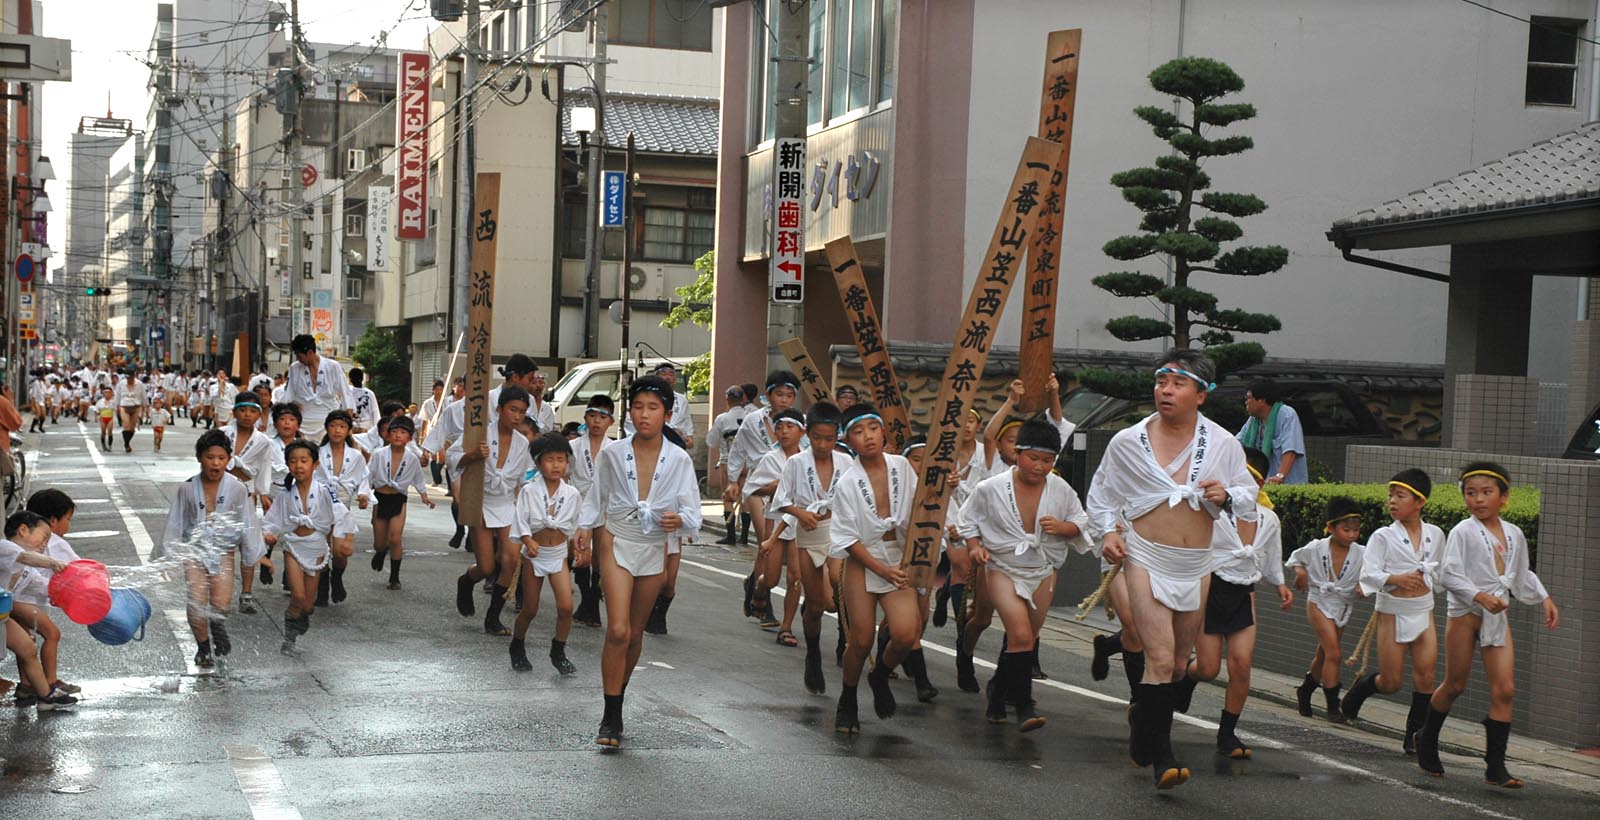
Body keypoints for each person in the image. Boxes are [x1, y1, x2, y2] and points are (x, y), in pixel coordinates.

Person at [1085, 349, 1258, 790]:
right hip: (1145, 556)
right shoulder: (1129, 441)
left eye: (1178, 384)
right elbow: (1102, 495)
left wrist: (1225, 495)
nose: (1166, 390)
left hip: (1195, 563)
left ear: (1202, 395)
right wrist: (1108, 535)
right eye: (1162, 381)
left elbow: (1248, 496)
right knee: (1158, 657)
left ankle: (1143, 721)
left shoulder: (1223, 443)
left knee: (1181, 665)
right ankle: (1163, 757)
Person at [1416, 462, 1559, 787]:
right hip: (1465, 613)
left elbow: (1521, 575)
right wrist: (1480, 596)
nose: (1478, 499)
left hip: (1496, 614)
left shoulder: (1514, 534)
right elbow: (1449, 575)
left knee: (1505, 689)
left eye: (1486, 492)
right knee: (1455, 685)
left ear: (1503, 497)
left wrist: (1544, 598)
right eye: (1471, 493)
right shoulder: (1462, 531)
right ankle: (1427, 738)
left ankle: (1496, 766)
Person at [581, 376, 701, 747]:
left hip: (654, 546)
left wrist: (677, 520)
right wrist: (584, 531)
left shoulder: (678, 458)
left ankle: (618, 695)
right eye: (638, 407)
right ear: (629, 412)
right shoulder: (614, 453)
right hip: (617, 540)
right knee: (616, 630)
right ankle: (610, 714)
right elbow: (595, 496)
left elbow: (691, 511)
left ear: (667, 413)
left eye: (653, 408)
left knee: (634, 632)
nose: (644, 415)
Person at [958, 419, 1091, 732]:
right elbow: (967, 521)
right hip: (1002, 567)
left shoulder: (1060, 489)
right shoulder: (989, 488)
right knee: (1018, 635)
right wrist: (975, 547)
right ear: (1017, 454)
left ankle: (997, 691)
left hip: (1043, 568)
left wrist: (1063, 528)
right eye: (1034, 458)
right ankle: (1024, 704)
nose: (1041, 466)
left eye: (1048, 461)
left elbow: (1081, 522)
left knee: (1027, 638)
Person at [1172, 447, 1292, 758]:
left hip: (1243, 593)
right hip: (1210, 589)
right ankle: (1187, 676)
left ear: (1260, 483)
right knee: (1209, 668)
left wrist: (1279, 584)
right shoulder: (1209, 509)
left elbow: (1270, 559)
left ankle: (1227, 734)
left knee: (1241, 664)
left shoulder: (1269, 519)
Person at [829, 403, 920, 735]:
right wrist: (880, 569)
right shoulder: (848, 482)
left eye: (872, 427)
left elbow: (925, 505)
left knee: (907, 634)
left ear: (884, 431)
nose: (867, 436)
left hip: (898, 557)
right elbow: (847, 539)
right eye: (858, 431)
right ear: (848, 440)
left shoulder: (902, 467)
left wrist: (945, 483)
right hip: (863, 558)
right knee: (862, 639)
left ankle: (880, 674)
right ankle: (848, 696)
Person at [1341, 468, 1444, 752]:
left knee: (1426, 676)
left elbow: (1443, 572)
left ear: (1420, 501)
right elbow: (1369, 572)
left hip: (1423, 608)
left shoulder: (1436, 534)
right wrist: (1396, 579)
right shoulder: (1382, 536)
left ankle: (1414, 736)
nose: (1393, 501)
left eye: (1400, 496)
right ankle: (1361, 689)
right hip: (1392, 611)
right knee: (1391, 682)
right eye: (1391, 496)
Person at [154, 430, 265, 669]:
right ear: (199, 457)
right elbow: (175, 523)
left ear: (228, 459)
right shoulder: (186, 489)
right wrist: (168, 559)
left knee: (222, 603)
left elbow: (247, 520)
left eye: (221, 458)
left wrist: (253, 554)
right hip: (194, 552)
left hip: (223, 551)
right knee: (196, 601)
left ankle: (217, 624)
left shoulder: (237, 488)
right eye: (210, 457)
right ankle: (203, 646)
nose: (215, 463)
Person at [773, 401, 852, 694]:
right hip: (808, 533)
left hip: (836, 531)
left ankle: (847, 634)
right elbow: (781, 500)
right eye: (817, 438)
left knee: (837, 579)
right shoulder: (795, 463)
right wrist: (800, 513)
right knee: (817, 605)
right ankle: (814, 653)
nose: (822, 444)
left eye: (829, 438)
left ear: (837, 436)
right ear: (808, 434)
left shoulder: (846, 462)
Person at [448, 386, 534, 636]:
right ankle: (466, 581)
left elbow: (525, 480)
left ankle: (492, 618)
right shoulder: (480, 433)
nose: (517, 416)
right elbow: (452, 459)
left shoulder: (522, 443)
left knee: (510, 559)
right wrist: (473, 455)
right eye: (512, 410)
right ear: (499, 410)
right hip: (480, 500)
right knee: (486, 566)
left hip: (507, 503)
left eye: (522, 412)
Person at [264, 440, 357, 656]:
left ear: (315, 464)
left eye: (304, 461)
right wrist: (268, 534)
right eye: (293, 461)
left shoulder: (325, 490)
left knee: (307, 605)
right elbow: (271, 520)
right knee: (297, 596)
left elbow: (342, 514)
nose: (298, 466)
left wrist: (347, 541)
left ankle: (300, 618)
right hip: (294, 546)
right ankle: (288, 640)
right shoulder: (286, 494)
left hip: (316, 548)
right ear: (288, 465)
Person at [1285, 497, 1366, 722]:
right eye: (1346, 529)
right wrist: (1301, 573)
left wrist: (1363, 586)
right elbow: (1294, 559)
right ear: (1331, 528)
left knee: (1323, 654)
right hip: (1319, 600)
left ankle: (1306, 689)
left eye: (1356, 530)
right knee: (1334, 653)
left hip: (1342, 604)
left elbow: (1372, 573)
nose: (1351, 534)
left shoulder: (1361, 553)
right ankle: (1332, 707)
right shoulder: (1316, 548)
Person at [510, 433, 583, 674]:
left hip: (558, 554)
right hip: (534, 555)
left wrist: (580, 549)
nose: (556, 465)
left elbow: (575, 526)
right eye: (550, 460)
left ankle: (558, 649)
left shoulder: (571, 494)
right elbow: (520, 520)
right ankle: (517, 644)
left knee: (566, 606)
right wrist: (528, 539)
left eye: (561, 460)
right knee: (531, 608)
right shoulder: (530, 491)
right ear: (539, 463)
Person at [1, 511, 77, 709]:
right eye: (44, 537)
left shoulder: (26, 570)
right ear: (23, 530)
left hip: (2, 617)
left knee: (28, 648)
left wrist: (78, 593)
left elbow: (47, 587)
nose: (45, 545)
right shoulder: (5, 547)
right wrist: (53, 563)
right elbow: (27, 557)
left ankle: (46, 696)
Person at [745, 408, 806, 631]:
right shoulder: (770, 458)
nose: (784, 432)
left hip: (799, 521)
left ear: (802, 431)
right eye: (779, 427)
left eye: (790, 427)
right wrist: (773, 487)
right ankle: (757, 589)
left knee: (795, 576)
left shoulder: (807, 459)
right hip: (776, 518)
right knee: (770, 579)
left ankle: (787, 627)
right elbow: (752, 489)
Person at [725, 370, 802, 547]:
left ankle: (759, 574)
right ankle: (764, 572)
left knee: (792, 546)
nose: (784, 400)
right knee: (766, 541)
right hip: (760, 484)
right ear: (768, 395)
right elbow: (738, 449)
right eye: (779, 394)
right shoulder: (753, 420)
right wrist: (733, 481)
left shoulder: (801, 422)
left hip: (792, 487)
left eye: (789, 396)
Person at [222, 394, 281, 613]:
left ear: (259, 414)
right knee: (223, 546)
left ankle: (246, 594)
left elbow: (263, 470)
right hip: (221, 494)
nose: (247, 415)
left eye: (252, 411)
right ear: (235, 411)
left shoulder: (263, 442)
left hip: (246, 496)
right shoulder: (222, 434)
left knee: (247, 545)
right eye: (243, 410)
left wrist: (263, 494)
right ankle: (222, 592)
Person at [367, 415, 435, 590]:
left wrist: (424, 495)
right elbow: (367, 475)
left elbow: (419, 478)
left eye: (403, 432)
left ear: (409, 438)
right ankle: (381, 552)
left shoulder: (411, 458)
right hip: (380, 497)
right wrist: (363, 494)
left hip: (399, 499)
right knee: (379, 542)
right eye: (394, 431)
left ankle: (394, 577)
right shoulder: (379, 455)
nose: (398, 435)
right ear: (388, 435)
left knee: (396, 538)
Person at [568, 394, 615, 627]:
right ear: (585, 418)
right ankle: (588, 602)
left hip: (604, 507)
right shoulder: (572, 447)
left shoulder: (615, 449)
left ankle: (592, 605)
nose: (597, 421)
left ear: (611, 422)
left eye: (603, 417)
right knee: (581, 555)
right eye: (593, 416)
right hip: (578, 505)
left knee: (600, 558)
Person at [316, 410, 371, 606]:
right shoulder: (317, 453)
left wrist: (363, 495)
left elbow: (363, 478)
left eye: (342, 426)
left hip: (342, 506)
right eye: (333, 425)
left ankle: (337, 577)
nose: (337, 430)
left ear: (348, 430)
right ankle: (321, 589)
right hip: (319, 503)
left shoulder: (356, 456)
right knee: (320, 548)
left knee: (340, 551)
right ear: (326, 428)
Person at [1236, 380, 1307, 485]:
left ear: (1261, 400)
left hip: (1287, 484)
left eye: (1248, 398)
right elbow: (1236, 443)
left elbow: (1291, 450)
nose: (1246, 402)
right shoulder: (1253, 421)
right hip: (1262, 483)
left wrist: (1279, 476)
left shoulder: (1287, 414)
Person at [285, 334, 351, 440]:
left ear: (310, 353)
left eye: (299, 356)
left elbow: (346, 393)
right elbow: (288, 394)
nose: (298, 359)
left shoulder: (333, 366)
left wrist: (349, 423)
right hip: (304, 420)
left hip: (328, 418)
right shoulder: (294, 368)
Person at [708, 385, 750, 544]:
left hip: (728, 461)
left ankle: (731, 535)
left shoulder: (722, 418)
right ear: (743, 399)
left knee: (728, 498)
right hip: (747, 462)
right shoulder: (750, 416)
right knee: (745, 498)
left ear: (727, 400)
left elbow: (711, 441)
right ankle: (744, 536)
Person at [624, 363, 694, 448]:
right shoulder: (643, 397)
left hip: (675, 443)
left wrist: (689, 437)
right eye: (663, 374)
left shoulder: (682, 400)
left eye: (671, 374)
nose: (668, 377)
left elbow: (687, 421)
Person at [114, 370, 147, 453]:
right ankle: (127, 445)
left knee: (132, 429)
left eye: (130, 378)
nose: (129, 380)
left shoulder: (139, 384)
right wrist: (117, 406)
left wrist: (146, 407)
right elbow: (117, 395)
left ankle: (127, 442)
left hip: (136, 406)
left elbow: (144, 396)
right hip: (124, 406)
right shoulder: (121, 384)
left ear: (134, 377)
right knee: (126, 425)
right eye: (127, 378)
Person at [348, 368, 379, 434]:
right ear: (362, 379)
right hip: (359, 424)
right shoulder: (369, 393)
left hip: (363, 425)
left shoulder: (348, 393)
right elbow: (375, 412)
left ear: (350, 379)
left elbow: (375, 411)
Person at [94, 386, 117, 451]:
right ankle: (103, 445)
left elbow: (116, 409)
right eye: (105, 392)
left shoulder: (113, 402)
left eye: (109, 392)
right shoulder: (100, 402)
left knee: (110, 432)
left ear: (111, 393)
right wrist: (96, 417)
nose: (107, 394)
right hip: (102, 418)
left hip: (110, 418)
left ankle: (110, 445)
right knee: (103, 432)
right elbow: (96, 410)